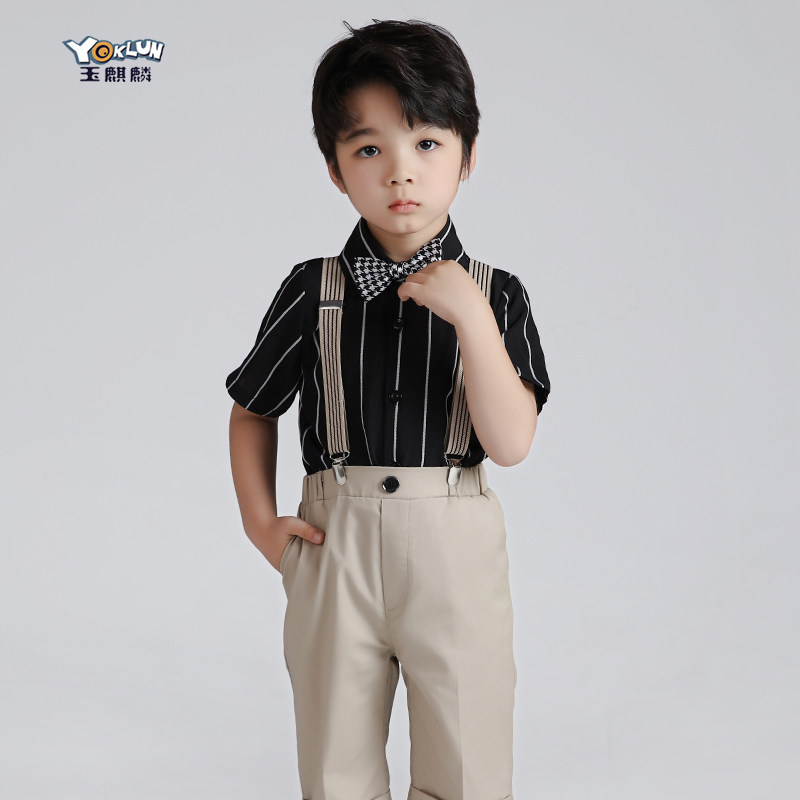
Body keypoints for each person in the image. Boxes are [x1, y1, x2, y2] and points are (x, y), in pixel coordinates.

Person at [225, 18, 550, 800]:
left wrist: (470, 318)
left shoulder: (499, 295)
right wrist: (261, 524)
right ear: (336, 170)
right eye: (369, 149)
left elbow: (510, 443)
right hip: (335, 538)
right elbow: (252, 408)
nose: (401, 171)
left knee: (468, 760)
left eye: (427, 143)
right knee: (335, 764)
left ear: (468, 156)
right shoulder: (313, 289)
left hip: (454, 539)